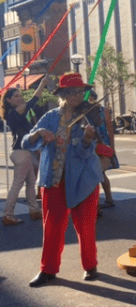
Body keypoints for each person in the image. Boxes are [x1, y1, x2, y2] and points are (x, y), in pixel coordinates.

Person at [23, 72, 104, 287]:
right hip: (54, 178)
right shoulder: (50, 117)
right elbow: (26, 141)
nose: (77, 96)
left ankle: (90, 266)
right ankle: (47, 270)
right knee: (52, 226)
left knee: (85, 225)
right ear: (63, 94)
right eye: (72, 92)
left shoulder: (89, 116)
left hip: (83, 179)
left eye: (80, 92)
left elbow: (88, 151)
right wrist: (39, 133)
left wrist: (87, 140)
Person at [1, 76, 48, 225]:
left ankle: (34, 210)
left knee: (30, 182)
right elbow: (34, 100)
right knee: (18, 184)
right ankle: (8, 214)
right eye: (16, 96)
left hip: (22, 152)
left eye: (20, 95)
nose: (20, 98)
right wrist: (42, 84)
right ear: (8, 100)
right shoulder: (17, 110)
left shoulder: (11, 113)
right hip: (21, 152)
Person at [89, 90, 119, 210]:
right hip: (100, 144)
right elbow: (110, 129)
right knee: (100, 173)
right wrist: (111, 145)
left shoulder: (93, 111)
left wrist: (112, 145)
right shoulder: (101, 110)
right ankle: (108, 198)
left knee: (96, 174)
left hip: (97, 145)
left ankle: (98, 203)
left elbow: (110, 128)